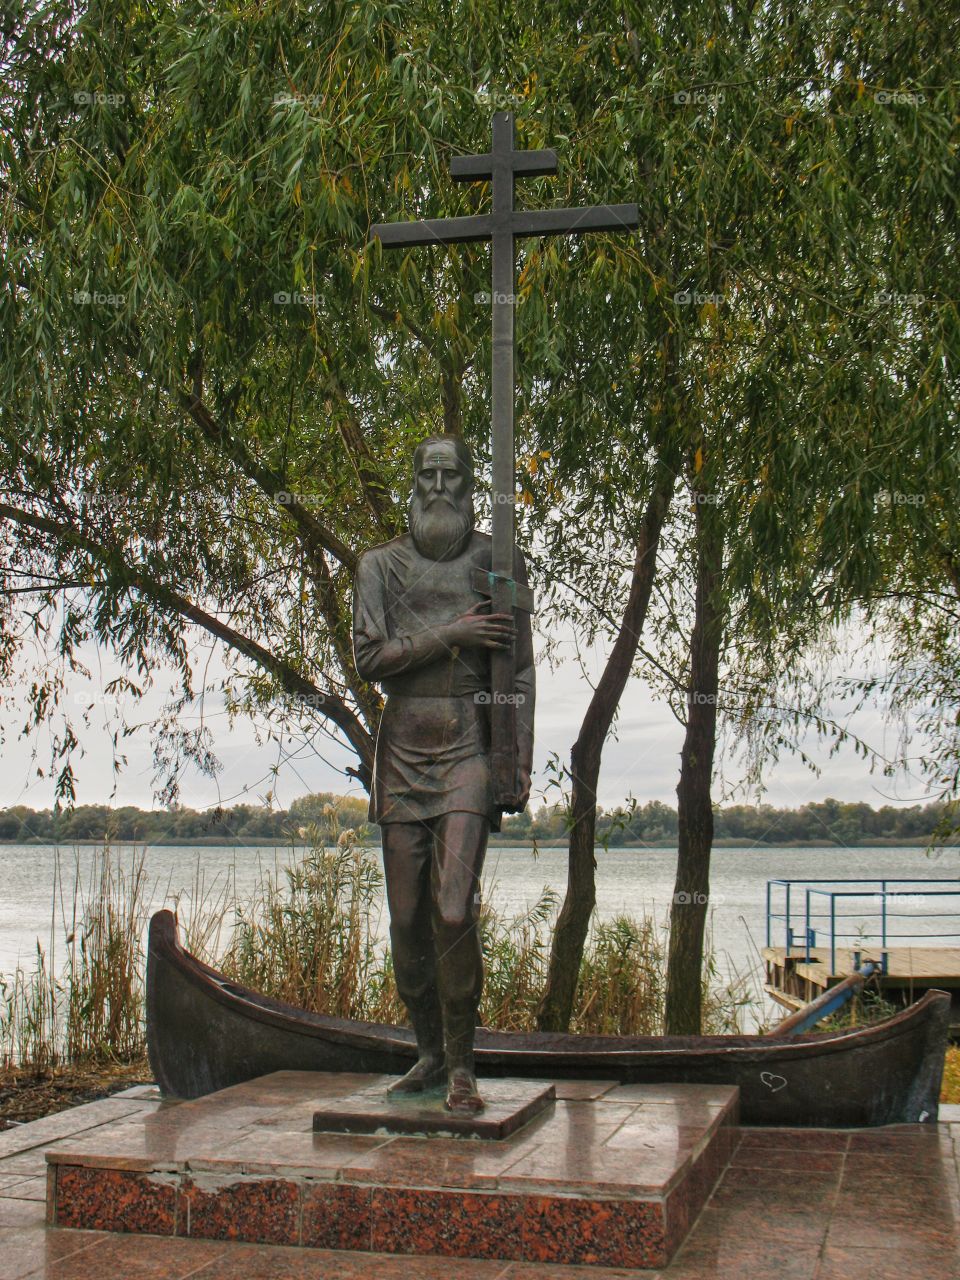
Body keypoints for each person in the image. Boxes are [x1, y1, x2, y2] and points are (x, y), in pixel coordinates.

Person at [352, 434, 534, 1112]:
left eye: (448, 474)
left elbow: (518, 670)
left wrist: (513, 760)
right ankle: (426, 1054)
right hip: (401, 751)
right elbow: (370, 659)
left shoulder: (496, 559)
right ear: (412, 482)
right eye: (425, 473)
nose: (435, 485)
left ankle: (463, 1065)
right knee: (405, 920)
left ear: (467, 486)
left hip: (468, 750)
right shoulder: (379, 567)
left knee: (452, 910)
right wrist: (453, 635)